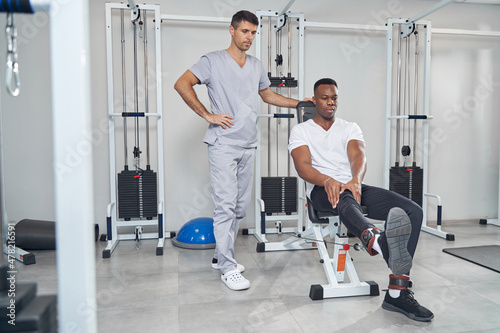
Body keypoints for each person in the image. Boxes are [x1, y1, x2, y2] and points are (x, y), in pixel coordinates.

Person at [174, 10, 303, 291]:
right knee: (225, 205)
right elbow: (182, 84)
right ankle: (229, 268)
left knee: (239, 208)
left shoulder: (256, 65)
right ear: (231, 31)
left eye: (254, 33)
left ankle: (222, 257)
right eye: (245, 31)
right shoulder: (212, 61)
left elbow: (267, 95)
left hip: (248, 144)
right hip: (223, 144)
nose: (250, 37)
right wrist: (208, 115)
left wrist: (299, 104)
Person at [288, 78, 434, 322]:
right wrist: (327, 180)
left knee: (413, 211)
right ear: (314, 101)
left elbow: (359, 157)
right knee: (343, 196)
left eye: (334, 98)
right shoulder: (301, 130)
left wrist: (355, 179)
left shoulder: (349, 127)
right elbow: (303, 167)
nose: (330, 102)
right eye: (324, 98)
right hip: (321, 191)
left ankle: (397, 293)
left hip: (352, 186)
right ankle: (376, 239)